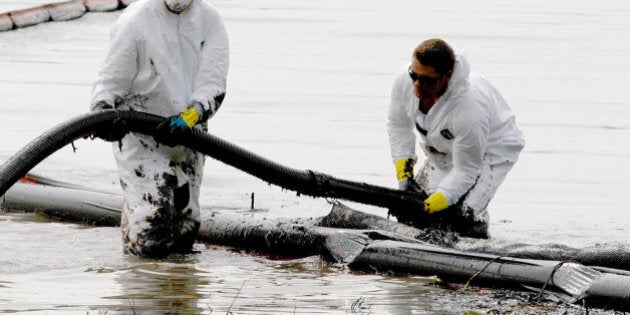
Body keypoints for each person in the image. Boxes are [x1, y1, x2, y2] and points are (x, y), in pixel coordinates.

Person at [89, 0, 229, 257]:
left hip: (190, 133)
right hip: (142, 137)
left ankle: (175, 290)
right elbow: (111, 79)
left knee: (186, 226)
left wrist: (191, 116)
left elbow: (213, 81)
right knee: (151, 222)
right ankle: (143, 287)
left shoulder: (209, 20)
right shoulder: (137, 20)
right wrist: (102, 112)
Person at [387, 38, 524, 239]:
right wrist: (404, 176)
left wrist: (435, 203)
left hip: (491, 152)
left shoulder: (469, 108)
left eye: (426, 80)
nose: (417, 85)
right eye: (414, 75)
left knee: (464, 218)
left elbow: (467, 169)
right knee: (413, 216)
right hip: (443, 150)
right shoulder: (404, 82)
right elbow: (398, 125)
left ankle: (477, 247)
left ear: (447, 76)